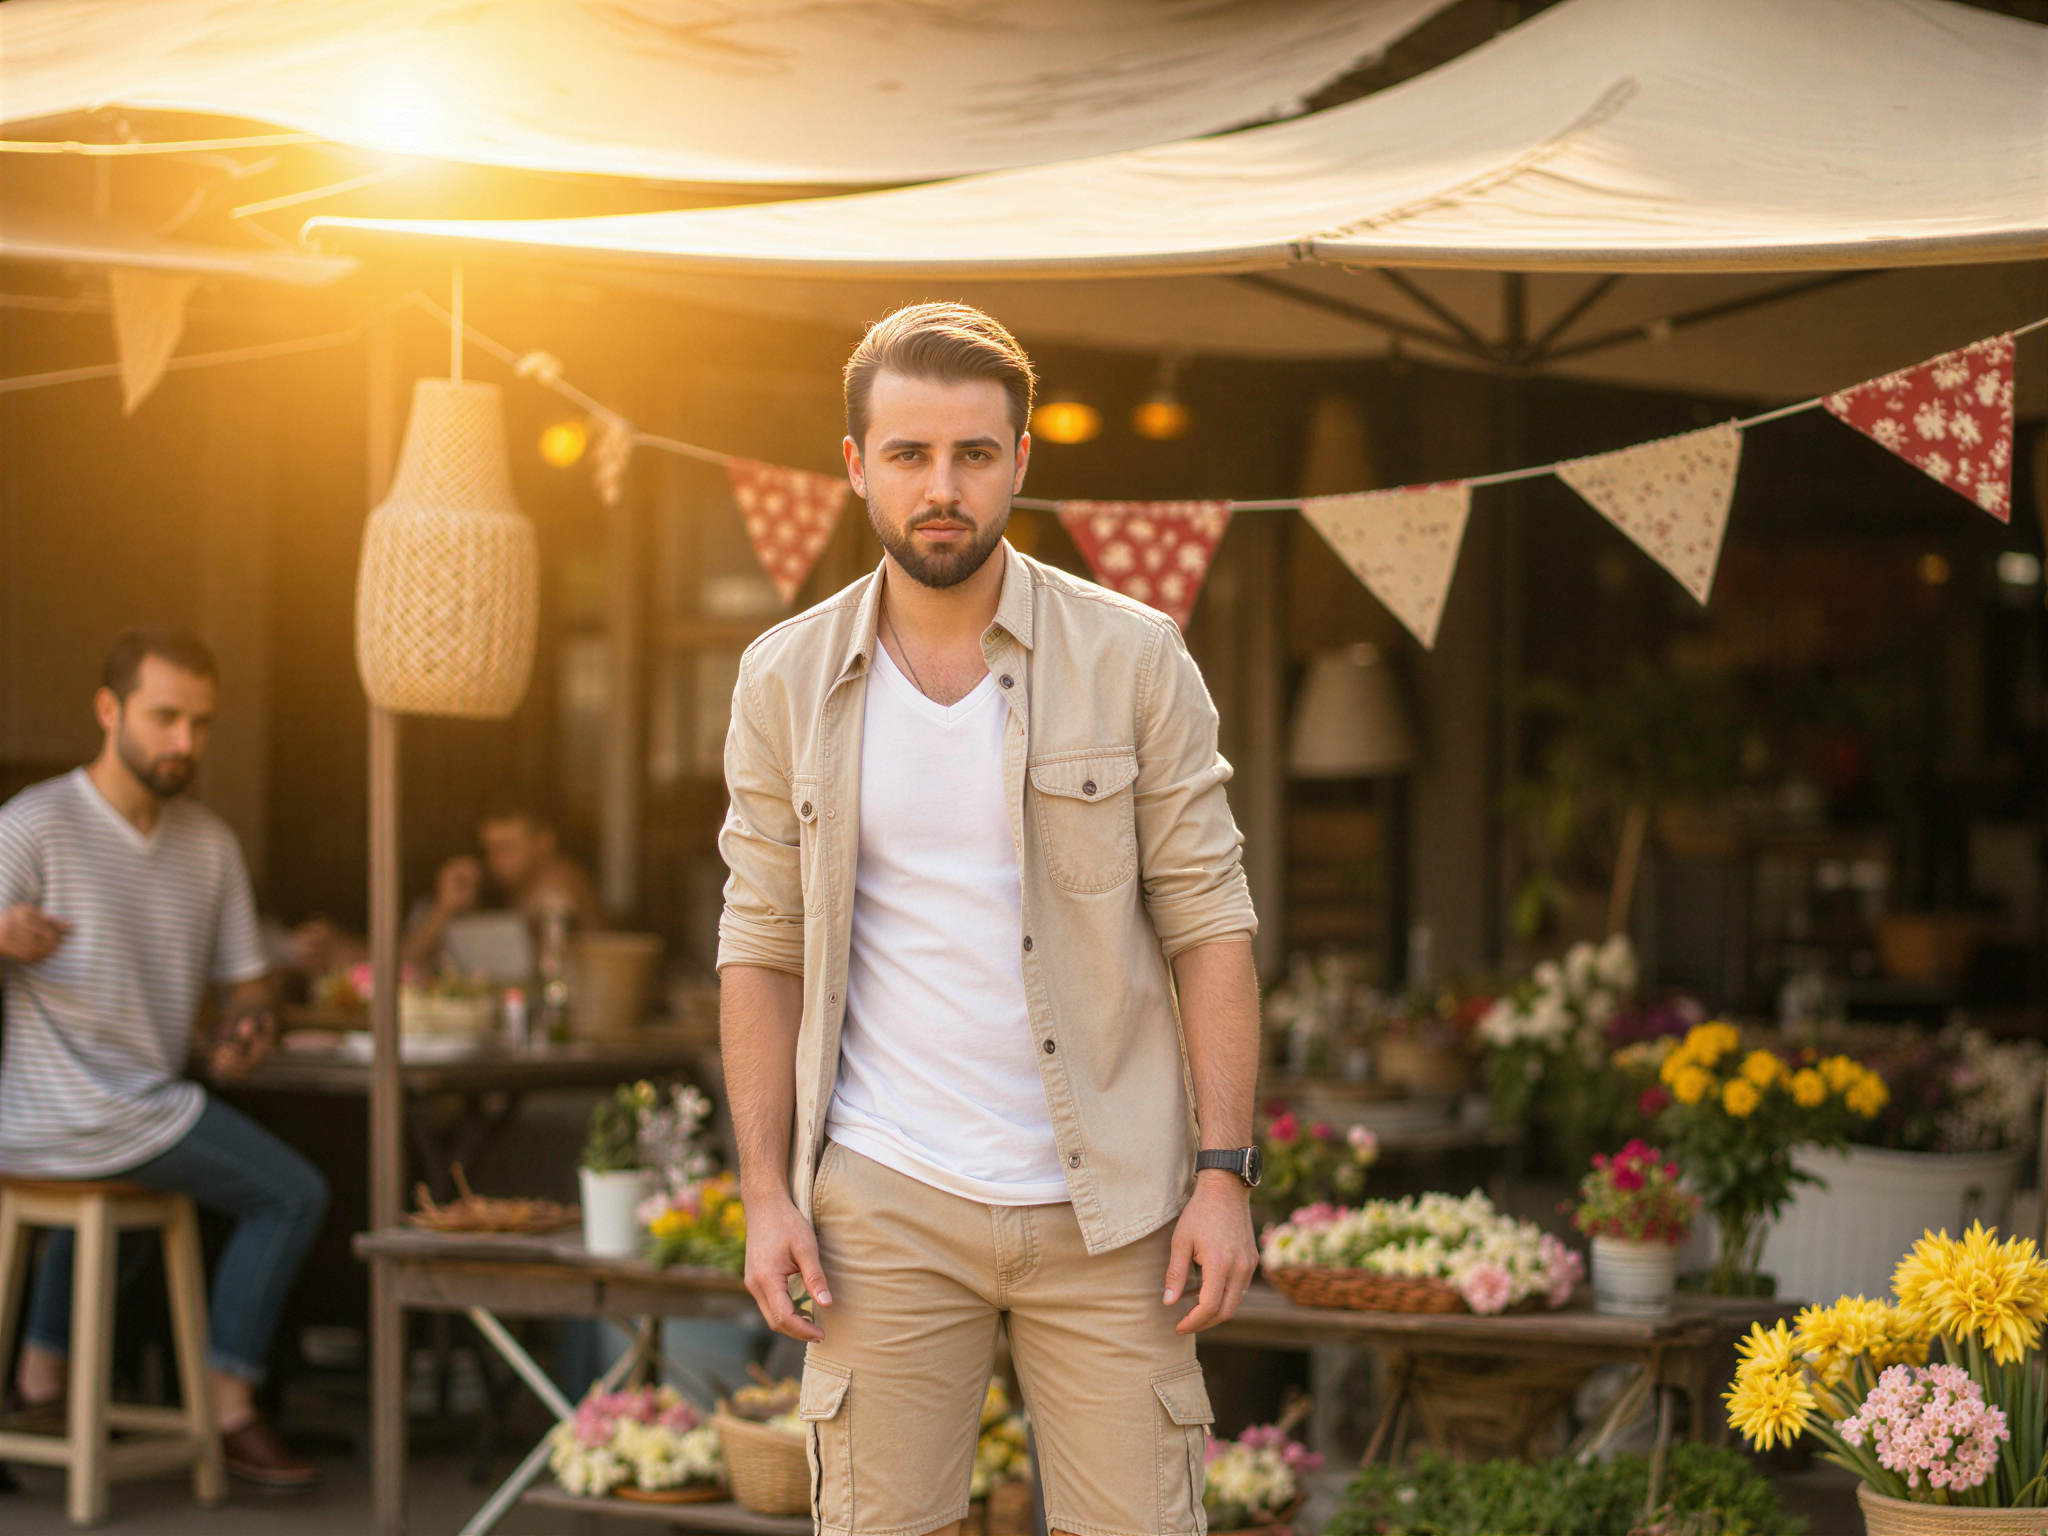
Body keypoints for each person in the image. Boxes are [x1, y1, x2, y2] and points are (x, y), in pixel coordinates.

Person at [718, 303, 1263, 1536]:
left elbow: (1209, 927)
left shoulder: (1133, 656)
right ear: (855, 467)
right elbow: (758, 946)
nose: (941, 487)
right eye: (907, 455)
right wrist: (765, 1192)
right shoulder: (783, 680)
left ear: (1021, 459)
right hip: (882, 1205)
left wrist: (1222, 1177)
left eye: (973, 453)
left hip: (1114, 1208)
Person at [0, 628, 327, 1489]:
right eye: (164, 717)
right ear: (108, 711)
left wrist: (246, 1030)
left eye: (202, 723)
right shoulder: (34, 824)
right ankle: (230, 1413)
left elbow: (250, 985)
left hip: (139, 1109)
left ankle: (40, 1386)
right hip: (64, 1113)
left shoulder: (208, 845)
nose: (185, 742)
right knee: (293, 1193)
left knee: (142, 1204)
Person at [291, 794, 602, 980]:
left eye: (508, 848)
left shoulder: (562, 890)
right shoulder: (497, 890)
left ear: (545, 841)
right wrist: (446, 908)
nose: (496, 860)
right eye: (490, 848)